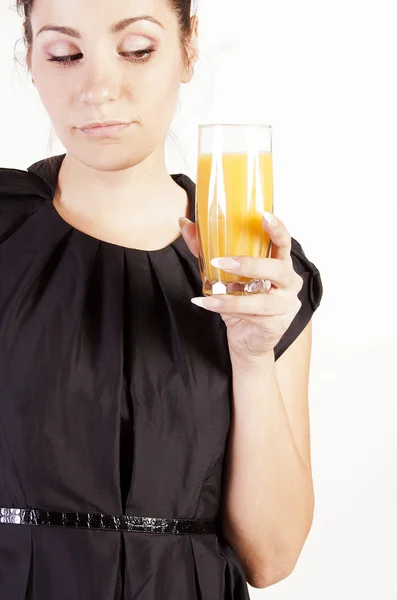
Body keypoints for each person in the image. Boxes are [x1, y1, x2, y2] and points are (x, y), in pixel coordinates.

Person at [0, 0, 323, 598]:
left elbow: (272, 557)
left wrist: (252, 357)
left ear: (188, 48)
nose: (98, 89)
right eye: (65, 54)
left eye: (136, 49)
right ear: (31, 57)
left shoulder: (260, 271)